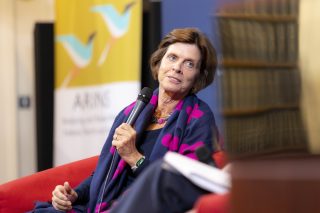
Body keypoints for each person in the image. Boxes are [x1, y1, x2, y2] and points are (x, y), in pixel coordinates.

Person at [31, 27, 219, 213]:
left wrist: (134, 157)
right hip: (103, 205)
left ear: (198, 77)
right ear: (159, 62)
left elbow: (184, 189)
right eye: (172, 58)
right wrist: (75, 194)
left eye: (189, 64)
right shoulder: (132, 112)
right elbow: (104, 172)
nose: (177, 68)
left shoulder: (199, 119)